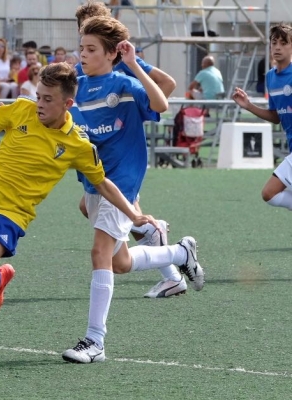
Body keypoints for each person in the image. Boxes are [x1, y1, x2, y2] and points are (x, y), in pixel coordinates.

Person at [0, 62, 160, 366]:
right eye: (38, 96)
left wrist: (134, 214)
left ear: (67, 104)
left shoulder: (78, 145)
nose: (40, 104)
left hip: (10, 215)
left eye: (48, 99)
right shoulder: (21, 110)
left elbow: (103, 184)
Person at [62, 15, 204, 364]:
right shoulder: (75, 87)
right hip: (96, 182)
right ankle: (179, 254)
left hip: (123, 179)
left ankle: (95, 341)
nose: (83, 54)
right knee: (120, 262)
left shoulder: (124, 84)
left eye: (91, 49)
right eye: (81, 47)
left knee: (98, 253)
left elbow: (161, 104)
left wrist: (134, 65)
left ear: (111, 54)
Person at [73, 1, 181, 298]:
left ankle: (95, 338)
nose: (84, 49)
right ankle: (175, 259)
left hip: (123, 160)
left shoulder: (120, 67)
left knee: (103, 249)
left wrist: (132, 114)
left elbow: (166, 88)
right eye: (82, 39)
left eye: (91, 42)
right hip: (98, 168)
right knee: (120, 256)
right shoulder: (78, 75)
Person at [232, 23, 292, 213]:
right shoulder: (270, 77)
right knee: (270, 194)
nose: (277, 47)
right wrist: (248, 106)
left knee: (269, 193)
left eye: (284, 43)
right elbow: (275, 117)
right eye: (274, 43)